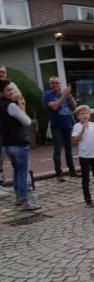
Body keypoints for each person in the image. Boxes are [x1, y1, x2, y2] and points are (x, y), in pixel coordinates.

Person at [0, 79, 39, 211]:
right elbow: (27, 121)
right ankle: (24, 201)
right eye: (8, 90)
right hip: (18, 142)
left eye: (12, 89)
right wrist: (22, 108)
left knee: (17, 171)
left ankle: (19, 197)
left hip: (7, 144)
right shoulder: (11, 106)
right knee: (22, 172)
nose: (11, 92)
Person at [44, 76, 80, 182]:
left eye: (57, 83)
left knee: (69, 149)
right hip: (57, 126)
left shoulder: (62, 94)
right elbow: (54, 107)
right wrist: (64, 95)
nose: (55, 84)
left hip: (67, 125)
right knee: (58, 150)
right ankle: (59, 174)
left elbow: (75, 107)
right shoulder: (48, 95)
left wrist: (69, 96)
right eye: (53, 83)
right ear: (50, 85)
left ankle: (72, 171)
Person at [0, 65, 23, 190]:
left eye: (3, 72)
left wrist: (7, 96)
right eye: (0, 72)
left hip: (11, 123)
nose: (1, 74)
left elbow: (18, 95)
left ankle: (19, 184)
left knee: (14, 156)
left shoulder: (11, 84)